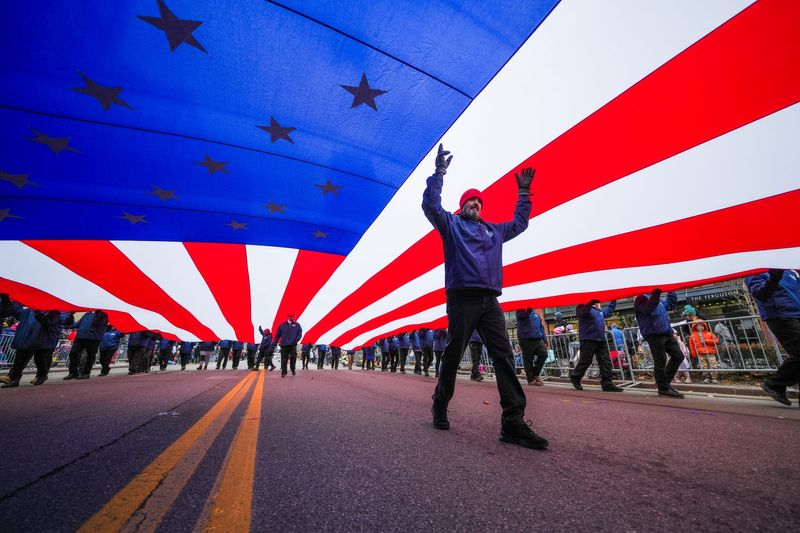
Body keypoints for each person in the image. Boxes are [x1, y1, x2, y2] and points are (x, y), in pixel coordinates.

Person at [422, 143, 547, 449]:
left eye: (479, 201)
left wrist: (523, 195)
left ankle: (513, 422)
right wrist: (438, 173)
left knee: (503, 356)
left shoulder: (494, 230)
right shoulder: (451, 225)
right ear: (461, 206)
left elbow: (520, 223)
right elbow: (430, 205)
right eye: (470, 200)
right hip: (462, 299)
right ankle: (440, 403)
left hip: (490, 301)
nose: (475, 203)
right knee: (452, 355)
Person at [746, 269, 800, 406]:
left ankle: (776, 385)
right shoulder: (757, 270)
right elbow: (759, 293)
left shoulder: (791, 272)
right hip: (780, 315)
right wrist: (774, 278)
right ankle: (774, 384)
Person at [0, 295, 62, 387]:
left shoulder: (53, 309)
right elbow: (13, 312)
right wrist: (5, 300)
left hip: (40, 338)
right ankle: (13, 378)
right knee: (20, 358)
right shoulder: (26, 307)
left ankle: (41, 376)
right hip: (25, 336)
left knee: (40, 359)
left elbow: (49, 322)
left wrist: (38, 314)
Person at [634, 289, 684, 398]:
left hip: (666, 332)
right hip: (654, 334)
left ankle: (663, 382)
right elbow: (648, 308)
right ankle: (663, 388)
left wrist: (671, 290)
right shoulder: (640, 298)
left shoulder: (657, 298)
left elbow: (670, 305)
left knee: (678, 356)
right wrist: (656, 293)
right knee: (660, 361)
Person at [569, 300, 623, 392]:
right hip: (588, 339)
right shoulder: (581, 306)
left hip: (601, 339)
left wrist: (613, 300)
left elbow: (609, 311)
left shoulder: (599, 311)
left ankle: (607, 384)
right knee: (585, 361)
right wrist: (590, 303)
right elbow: (583, 313)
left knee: (605, 361)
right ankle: (575, 376)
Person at [64, 309, 108, 379]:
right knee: (73, 353)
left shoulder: (103, 315)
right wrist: (63, 325)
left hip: (93, 338)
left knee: (90, 356)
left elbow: (96, 323)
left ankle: (86, 373)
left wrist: (97, 313)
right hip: (80, 337)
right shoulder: (87, 314)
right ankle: (73, 372)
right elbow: (77, 324)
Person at [516, 308, 548, 386]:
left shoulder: (536, 315)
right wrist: (528, 309)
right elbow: (522, 316)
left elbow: (541, 328)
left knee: (544, 354)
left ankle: (535, 373)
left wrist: (545, 339)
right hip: (526, 339)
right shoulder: (520, 312)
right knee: (528, 359)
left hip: (538, 339)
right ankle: (530, 379)